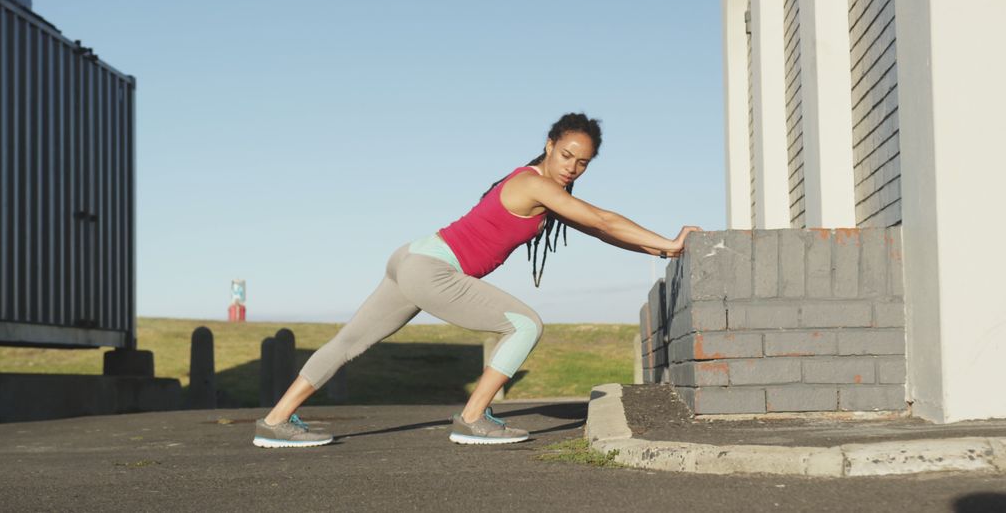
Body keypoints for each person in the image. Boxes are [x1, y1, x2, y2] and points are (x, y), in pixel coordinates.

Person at [252, 113, 702, 448]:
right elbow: (604, 217)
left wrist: (664, 248)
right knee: (525, 324)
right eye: (566, 155)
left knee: (349, 342)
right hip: (431, 268)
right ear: (549, 145)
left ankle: (274, 423)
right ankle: (472, 417)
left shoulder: (544, 191)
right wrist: (670, 240)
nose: (572, 168)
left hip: (412, 256)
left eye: (582, 163)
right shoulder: (535, 184)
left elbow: (603, 230)